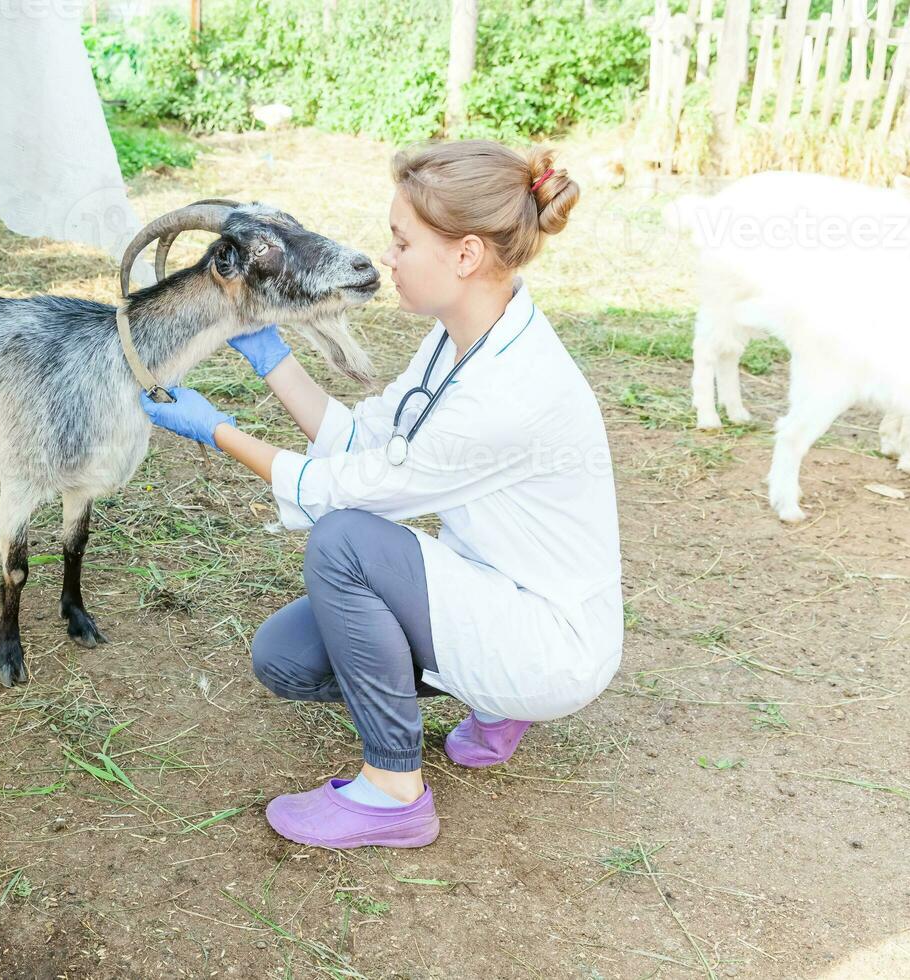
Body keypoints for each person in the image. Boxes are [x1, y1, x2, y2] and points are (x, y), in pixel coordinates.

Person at [141, 140, 623, 849]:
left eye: (402, 242)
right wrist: (274, 358)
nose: (387, 258)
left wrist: (217, 431)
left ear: (464, 255)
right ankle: (495, 699)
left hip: (552, 642)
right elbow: (371, 442)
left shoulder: (511, 391)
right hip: (502, 592)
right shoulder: (465, 334)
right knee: (285, 656)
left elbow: (347, 491)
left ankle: (394, 791)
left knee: (345, 543)